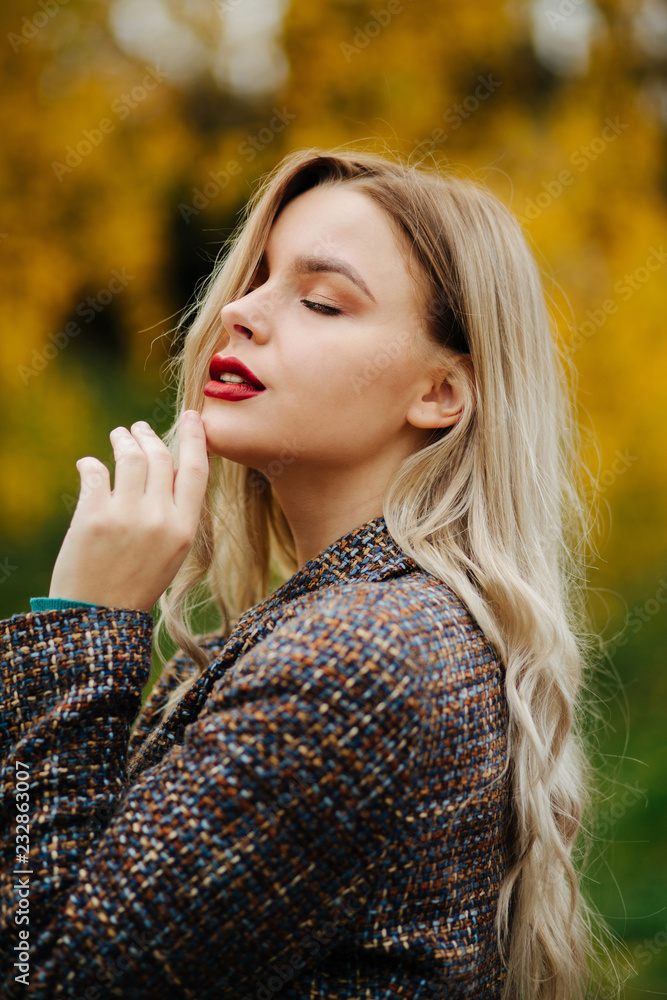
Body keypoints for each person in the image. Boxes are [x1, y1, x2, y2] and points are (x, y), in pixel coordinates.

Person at [0, 148, 606, 999]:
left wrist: (82, 627)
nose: (240, 311)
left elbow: (42, 974)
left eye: (321, 300)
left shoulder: (360, 660)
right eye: (257, 278)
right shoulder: (385, 628)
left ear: (440, 393)